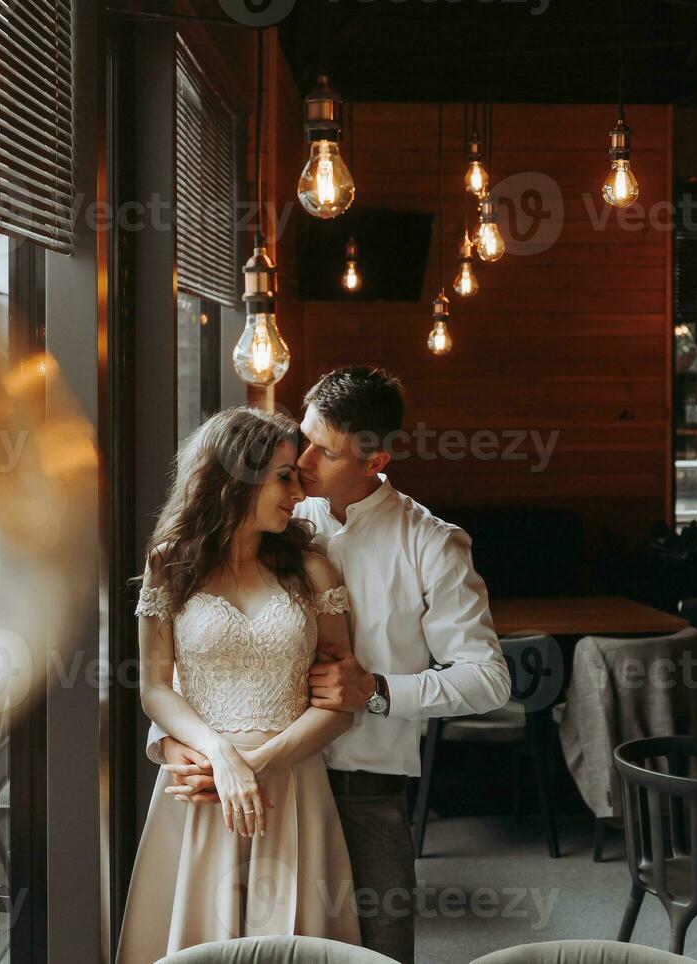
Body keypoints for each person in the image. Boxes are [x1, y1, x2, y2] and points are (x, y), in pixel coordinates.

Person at [152, 366, 511, 963]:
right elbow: (204, 649)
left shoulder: (432, 544)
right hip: (246, 789)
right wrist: (169, 744)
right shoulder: (271, 521)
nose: (304, 458)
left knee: (381, 955)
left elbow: (489, 677)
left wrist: (377, 690)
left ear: (374, 462)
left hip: (364, 793)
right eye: (305, 436)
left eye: (327, 451)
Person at [116, 406, 361, 963]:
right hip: (202, 785)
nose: (298, 492)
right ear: (236, 476)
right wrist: (222, 759)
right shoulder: (169, 565)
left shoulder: (314, 570)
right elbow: (155, 689)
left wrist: (257, 767)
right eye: (283, 476)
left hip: (293, 784)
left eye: (298, 477)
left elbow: (341, 704)